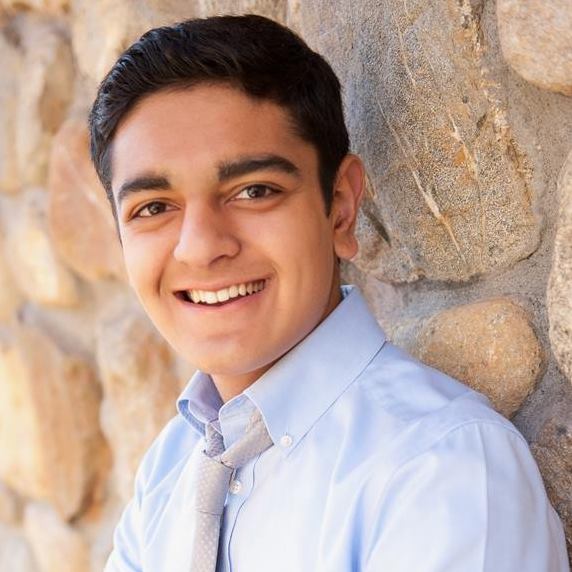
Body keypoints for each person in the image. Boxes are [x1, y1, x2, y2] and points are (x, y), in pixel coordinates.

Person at [88, 14, 569, 572]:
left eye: (253, 191)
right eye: (153, 207)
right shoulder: (169, 469)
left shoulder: (440, 469)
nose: (200, 248)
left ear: (340, 207)